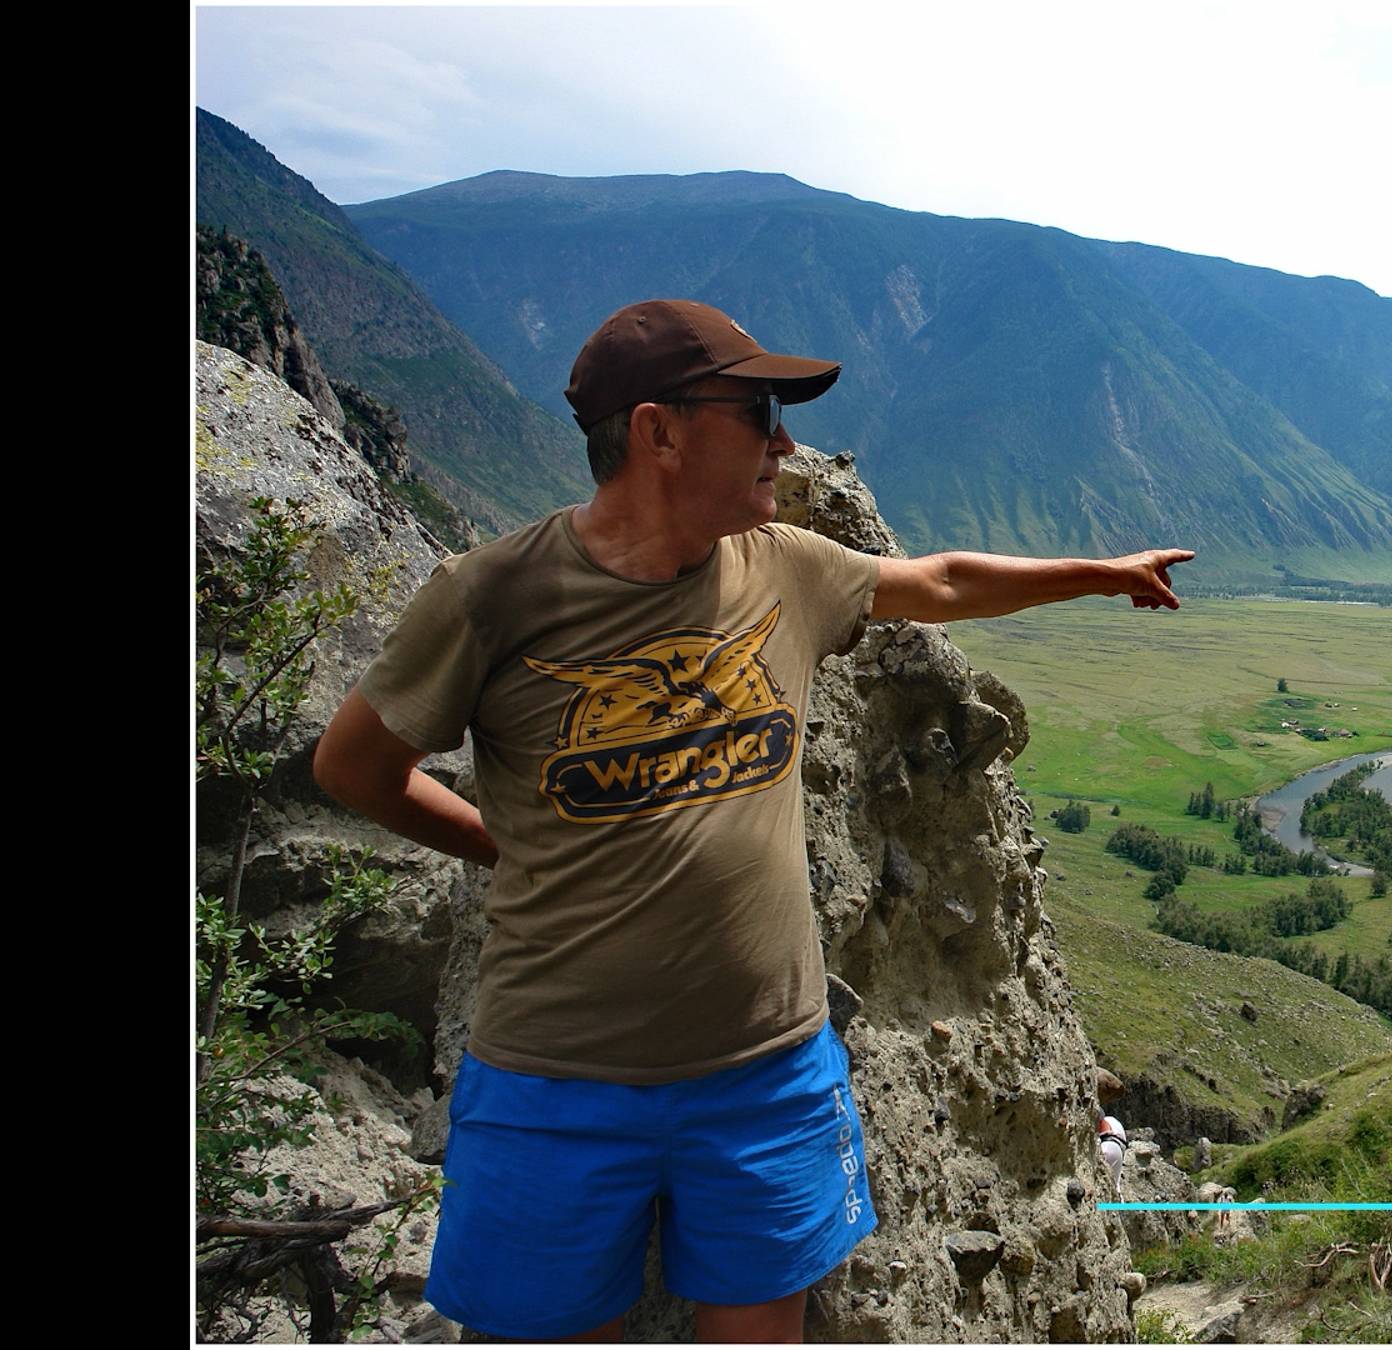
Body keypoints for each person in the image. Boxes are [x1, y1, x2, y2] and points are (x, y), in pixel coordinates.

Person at [312, 298, 1193, 1343]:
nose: (783, 441)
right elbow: (355, 766)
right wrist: (496, 847)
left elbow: (942, 581)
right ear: (658, 431)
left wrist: (1101, 575)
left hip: (766, 1072)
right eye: (758, 412)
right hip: (552, 1082)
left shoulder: (785, 567)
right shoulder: (492, 598)